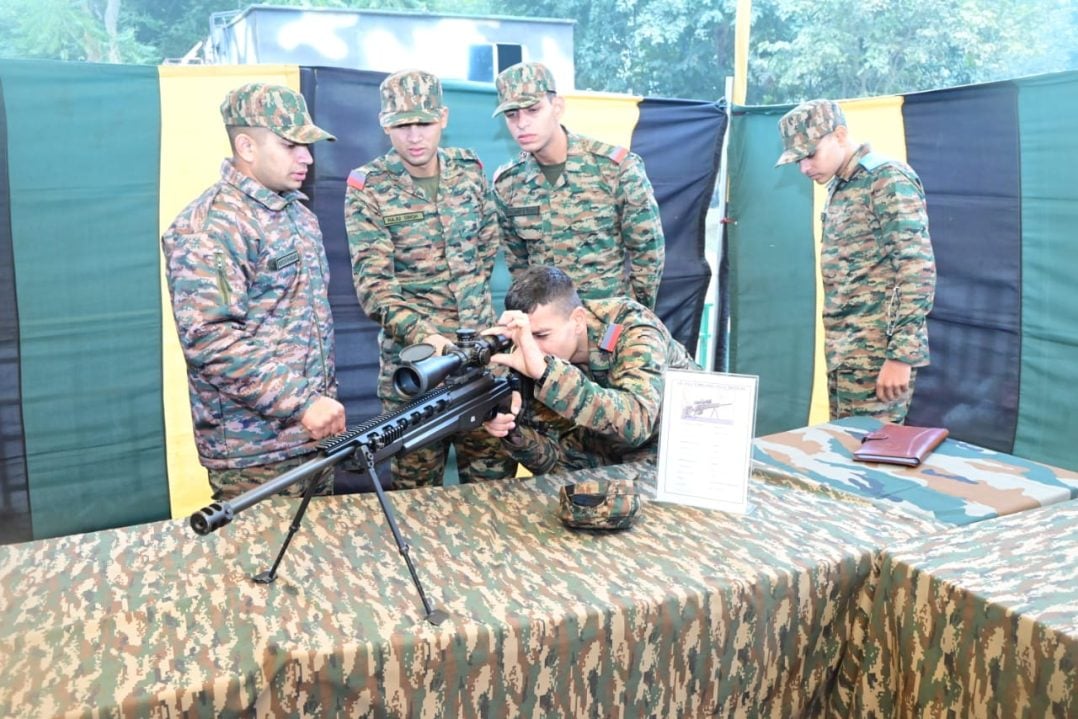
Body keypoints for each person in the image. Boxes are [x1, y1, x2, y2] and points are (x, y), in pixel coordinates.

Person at [162, 83, 346, 501]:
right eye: (290, 145)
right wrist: (301, 402)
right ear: (246, 146)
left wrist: (314, 407)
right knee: (258, 565)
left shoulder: (297, 214)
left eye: (307, 145)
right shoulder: (210, 227)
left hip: (312, 438)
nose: (307, 157)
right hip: (255, 453)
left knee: (320, 559)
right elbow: (209, 339)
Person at [344, 69, 517, 489]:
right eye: (402, 125)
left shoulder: (468, 170)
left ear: (443, 117)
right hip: (418, 374)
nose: (414, 136)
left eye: (423, 122)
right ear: (385, 125)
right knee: (416, 502)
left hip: (482, 366)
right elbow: (375, 290)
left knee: (496, 493)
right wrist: (428, 336)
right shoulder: (369, 187)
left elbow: (483, 251)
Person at [775, 99, 936, 424]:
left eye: (809, 155)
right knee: (845, 456)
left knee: (871, 460)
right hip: (845, 353)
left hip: (877, 356)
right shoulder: (842, 185)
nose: (805, 168)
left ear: (840, 134)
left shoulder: (886, 179)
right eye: (798, 160)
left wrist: (900, 356)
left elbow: (916, 269)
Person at [481, 265, 698, 475]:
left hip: (680, 445)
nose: (531, 348)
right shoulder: (525, 350)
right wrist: (511, 430)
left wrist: (547, 374)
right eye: (527, 336)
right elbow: (555, 463)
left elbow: (638, 423)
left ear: (578, 320)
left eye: (541, 335)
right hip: (610, 446)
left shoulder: (633, 328)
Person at [491, 62, 666, 310]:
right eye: (512, 115)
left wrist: (632, 320)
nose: (522, 123)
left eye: (533, 110)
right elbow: (520, 268)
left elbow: (648, 255)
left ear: (557, 107)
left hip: (608, 326)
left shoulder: (614, 169)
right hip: (549, 332)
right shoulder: (508, 184)